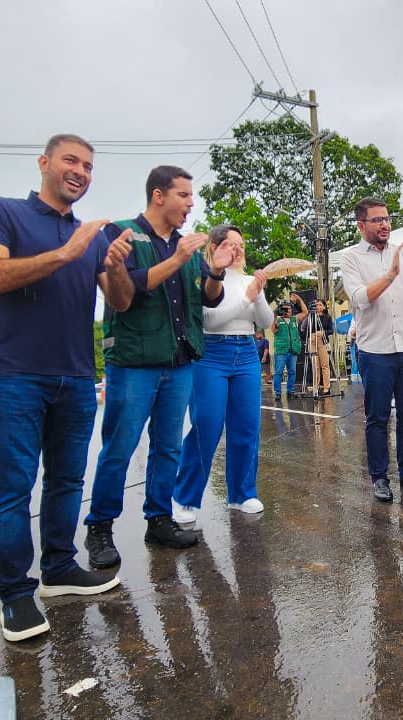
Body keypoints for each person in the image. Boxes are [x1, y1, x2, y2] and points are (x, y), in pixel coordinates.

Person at [0, 133, 132, 642]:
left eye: (87, 165)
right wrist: (68, 252)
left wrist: (117, 266)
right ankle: (15, 594)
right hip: (14, 372)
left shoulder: (93, 236)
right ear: (44, 163)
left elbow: (121, 302)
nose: (80, 171)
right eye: (70, 160)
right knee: (13, 487)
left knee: (66, 481)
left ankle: (60, 568)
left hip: (77, 375)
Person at [84, 165, 236, 570]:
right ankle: (99, 527)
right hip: (134, 362)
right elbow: (126, 290)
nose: (190, 204)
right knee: (119, 448)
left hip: (180, 360)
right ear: (158, 195)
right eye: (184, 195)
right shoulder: (121, 234)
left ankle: (159, 519)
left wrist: (216, 270)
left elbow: (209, 298)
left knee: (168, 446)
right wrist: (180, 257)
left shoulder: (186, 246)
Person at [337, 197, 403, 501]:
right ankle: (379, 477)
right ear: (361, 225)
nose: (385, 224)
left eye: (386, 218)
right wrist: (390, 276)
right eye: (377, 220)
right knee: (378, 418)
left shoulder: (402, 253)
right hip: (375, 350)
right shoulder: (351, 258)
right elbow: (359, 298)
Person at [174, 225, 274, 522]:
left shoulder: (248, 280)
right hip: (211, 352)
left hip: (246, 351)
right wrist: (247, 298)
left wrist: (256, 295)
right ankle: (185, 498)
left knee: (246, 426)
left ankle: (242, 493)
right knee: (207, 425)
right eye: (230, 244)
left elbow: (266, 320)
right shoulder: (205, 278)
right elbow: (210, 319)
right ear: (215, 247)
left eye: (241, 244)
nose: (238, 249)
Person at [301, 298, 335, 394]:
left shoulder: (327, 317)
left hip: (323, 341)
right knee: (315, 366)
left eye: (320, 305)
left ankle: (326, 387)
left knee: (325, 365)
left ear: (324, 307)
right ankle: (316, 387)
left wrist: (323, 332)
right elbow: (304, 328)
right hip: (312, 341)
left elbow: (331, 330)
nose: (318, 307)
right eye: (317, 305)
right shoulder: (311, 317)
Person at [271, 301, 301, 400]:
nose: (287, 310)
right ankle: (278, 393)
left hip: (293, 350)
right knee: (278, 372)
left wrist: (299, 299)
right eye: (284, 309)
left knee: (292, 372)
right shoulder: (278, 320)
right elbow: (274, 330)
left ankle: (290, 391)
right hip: (281, 351)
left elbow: (305, 312)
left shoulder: (294, 319)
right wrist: (275, 314)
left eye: (288, 308)